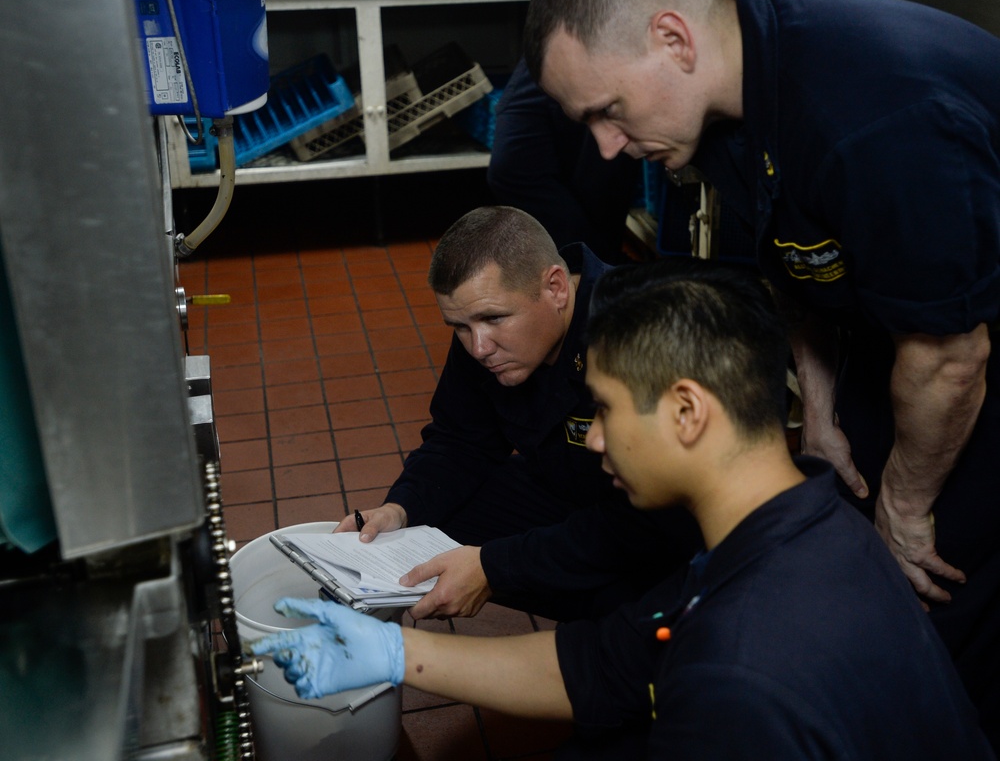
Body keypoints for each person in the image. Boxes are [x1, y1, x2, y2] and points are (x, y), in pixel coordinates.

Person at [521, 0, 1000, 744]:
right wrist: (819, 409)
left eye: (609, 111)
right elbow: (801, 260)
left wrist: (907, 508)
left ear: (672, 40)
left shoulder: (870, 109)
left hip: (962, 356)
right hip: (909, 348)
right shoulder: (723, 101)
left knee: (937, 610)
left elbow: (951, 357)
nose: (607, 147)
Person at [251, 259, 994, 759]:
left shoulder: (736, 680)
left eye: (605, 408)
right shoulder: (808, 524)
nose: (595, 435)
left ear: (686, 412)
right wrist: (394, 655)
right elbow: (606, 662)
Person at [335, 205, 700, 621]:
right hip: (571, 495)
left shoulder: (643, 329)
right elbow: (458, 440)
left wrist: (496, 567)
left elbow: (654, 519)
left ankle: (627, 637)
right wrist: (399, 509)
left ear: (557, 288)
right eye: (459, 326)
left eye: (493, 319)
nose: (478, 348)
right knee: (430, 519)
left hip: (661, 532)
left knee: (639, 610)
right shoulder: (483, 330)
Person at [484, 0, 702, 262]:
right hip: (563, 23)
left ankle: (596, 279)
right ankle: (592, 269)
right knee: (512, 165)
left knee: (601, 171)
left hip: (626, 29)